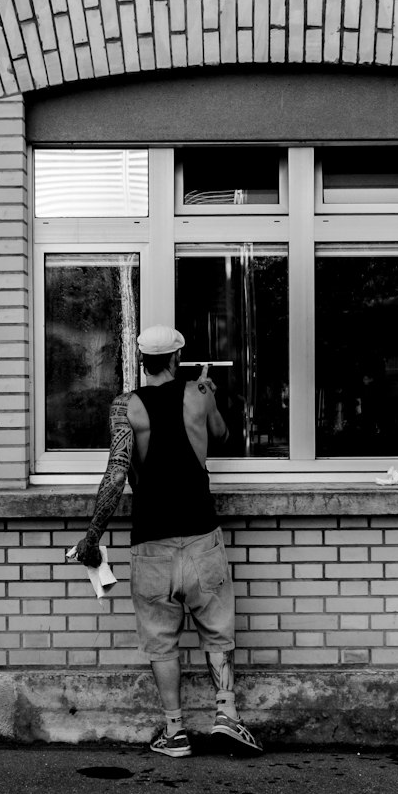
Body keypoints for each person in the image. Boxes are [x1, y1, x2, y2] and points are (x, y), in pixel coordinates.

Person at [73, 324, 262, 759]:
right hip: (202, 536)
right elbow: (221, 437)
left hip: (152, 543)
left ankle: (175, 732)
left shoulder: (126, 407)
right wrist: (209, 397)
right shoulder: (198, 393)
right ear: (177, 359)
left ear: (141, 361)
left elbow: (116, 473)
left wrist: (92, 535)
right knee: (217, 633)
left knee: (161, 640)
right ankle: (227, 716)